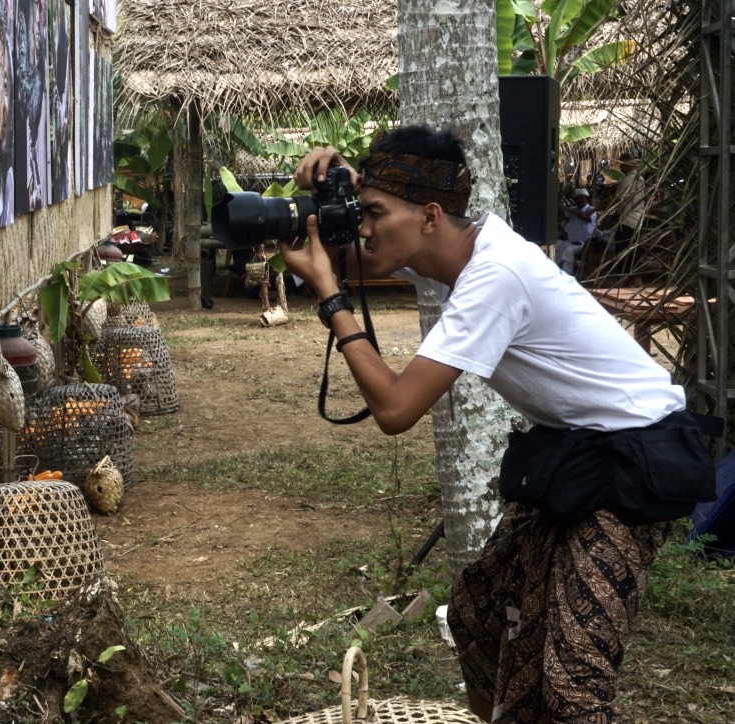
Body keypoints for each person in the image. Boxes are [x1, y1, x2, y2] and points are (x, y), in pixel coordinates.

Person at [280, 125, 715, 722]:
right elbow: (364, 249)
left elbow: (397, 410)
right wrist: (336, 199)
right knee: (477, 615)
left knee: (573, 690)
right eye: (363, 212)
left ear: (430, 215)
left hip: (636, 461)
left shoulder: (495, 276)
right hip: (576, 450)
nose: (365, 228)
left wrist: (334, 302)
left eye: (374, 213)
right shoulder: (459, 246)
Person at [556, 187, 596, 276]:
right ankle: (555, 274)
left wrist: (570, 210)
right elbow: (563, 219)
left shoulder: (591, 209)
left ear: (586, 199)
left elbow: (586, 218)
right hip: (569, 241)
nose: (580, 200)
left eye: (582, 198)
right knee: (555, 247)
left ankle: (567, 276)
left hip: (583, 243)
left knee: (568, 251)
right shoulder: (573, 209)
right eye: (577, 198)